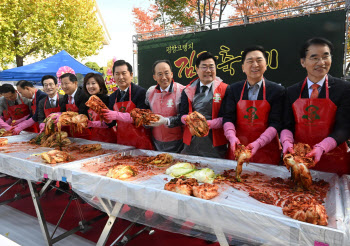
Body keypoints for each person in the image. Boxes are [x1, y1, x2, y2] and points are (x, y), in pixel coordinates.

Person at [281, 37, 350, 175]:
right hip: (300, 161)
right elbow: (286, 124)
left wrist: (322, 147)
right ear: (303, 62)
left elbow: (345, 128)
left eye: (326, 56)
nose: (321, 62)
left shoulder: (344, 89)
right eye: (314, 58)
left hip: (335, 162)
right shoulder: (291, 91)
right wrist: (287, 142)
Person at [222, 46, 285, 165]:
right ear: (243, 68)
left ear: (266, 65)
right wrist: (231, 137)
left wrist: (259, 143)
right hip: (238, 149)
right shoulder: (233, 89)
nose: (255, 65)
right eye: (250, 61)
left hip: (266, 152)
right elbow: (228, 117)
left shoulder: (277, 91)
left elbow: (276, 123)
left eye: (259, 60)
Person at [179, 52, 228, 158]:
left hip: (215, 146)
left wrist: (207, 124)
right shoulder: (187, 90)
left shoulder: (225, 89)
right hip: (191, 143)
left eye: (211, 67)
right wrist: (189, 120)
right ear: (197, 69)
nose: (208, 71)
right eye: (204, 67)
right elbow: (181, 114)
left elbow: (228, 118)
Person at [101, 60, 153, 149]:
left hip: (140, 141)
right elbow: (111, 123)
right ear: (113, 76)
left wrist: (117, 115)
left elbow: (142, 118)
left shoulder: (141, 92)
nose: (120, 77)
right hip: (122, 142)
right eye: (117, 74)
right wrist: (104, 118)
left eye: (124, 73)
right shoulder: (113, 96)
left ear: (131, 75)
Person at [145, 60, 185, 153]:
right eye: (159, 74)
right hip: (156, 142)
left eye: (166, 73)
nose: (164, 77)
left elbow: (184, 117)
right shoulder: (150, 92)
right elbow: (147, 112)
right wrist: (146, 122)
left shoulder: (182, 91)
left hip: (178, 143)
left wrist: (166, 121)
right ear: (154, 77)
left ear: (171, 74)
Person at [83, 73, 117, 143]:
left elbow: (111, 123)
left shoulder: (107, 99)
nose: (90, 86)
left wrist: (92, 123)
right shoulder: (87, 102)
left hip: (109, 138)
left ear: (100, 85)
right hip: (94, 137)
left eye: (93, 83)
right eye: (88, 84)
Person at [60, 73, 91, 139]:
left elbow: (83, 115)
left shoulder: (83, 95)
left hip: (84, 132)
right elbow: (62, 112)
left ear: (75, 83)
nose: (64, 86)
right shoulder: (65, 97)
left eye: (66, 83)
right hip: (71, 133)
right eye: (62, 84)